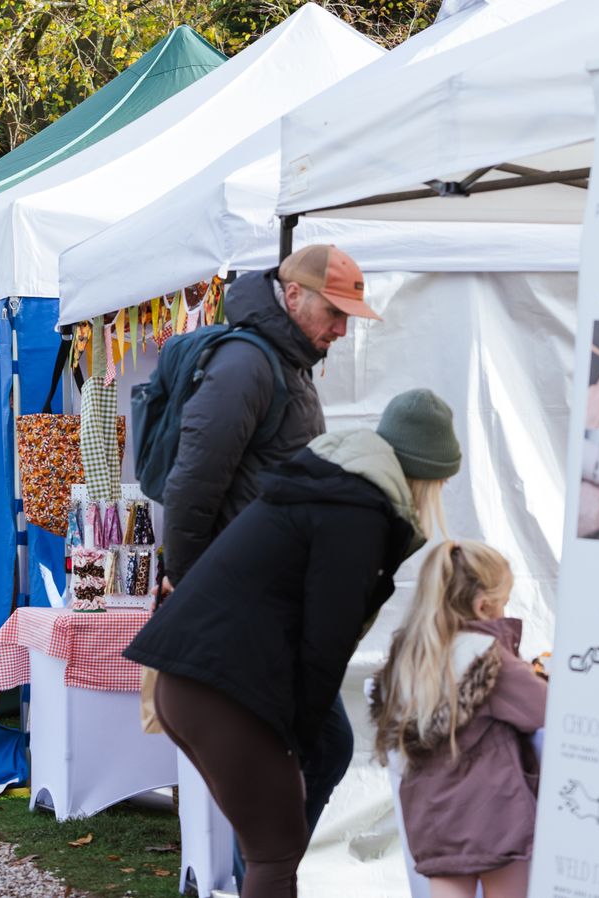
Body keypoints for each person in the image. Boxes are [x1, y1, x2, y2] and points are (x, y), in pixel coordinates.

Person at [124, 388, 461, 898]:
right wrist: (292, 738)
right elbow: (327, 640)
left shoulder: (337, 486)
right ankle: (273, 863)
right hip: (217, 685)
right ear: (427, 474)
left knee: (329, 748)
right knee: (274, 853)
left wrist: (301, 742)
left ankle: (276, 859)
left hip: (199, 677)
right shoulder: (357, 512)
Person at [158, 243, 379, 853]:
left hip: (272, 601)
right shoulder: (248, 365)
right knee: (311, 748)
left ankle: (265, 875)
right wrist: (195, 584)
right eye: (334, 313)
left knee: (313, 747)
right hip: (244, 605)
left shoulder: (289, 361)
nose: (340, 329)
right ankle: (264, 874)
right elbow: (192, 485)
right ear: (293, 295)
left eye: (346, 318)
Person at [371, 540, 546, 898]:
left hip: (433, 821)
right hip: (496, 818)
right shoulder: (490, 661)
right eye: (504, 603)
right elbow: (543, 709)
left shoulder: (407, 662)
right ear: (483, 607)